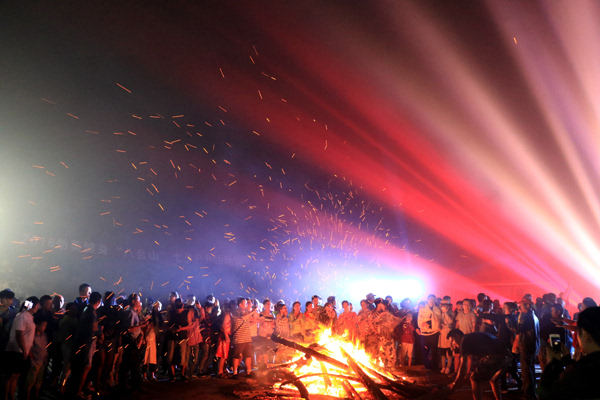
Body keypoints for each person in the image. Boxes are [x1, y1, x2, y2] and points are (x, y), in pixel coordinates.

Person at [537, 306, 600, 399]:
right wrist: (567, 360)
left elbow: (546, 394)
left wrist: (552, 364)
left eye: (577, 332)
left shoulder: (580, 373)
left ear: (585, 335)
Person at [448, 329, 511, 400]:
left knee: (474, 378)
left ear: (457, 335)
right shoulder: (470, 338)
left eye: (452, 341)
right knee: (493, 380)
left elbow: (462, 366)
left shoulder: (463, 341)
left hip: (495, 356)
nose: (453, 344)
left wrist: (454, 383)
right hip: (507, 356)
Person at [3, 296, 40, 400]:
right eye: (37, 305)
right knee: (10, 376)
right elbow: (19, 333)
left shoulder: (29, 316)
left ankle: (11, 396)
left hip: (21, 351)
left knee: (15, 376)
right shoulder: (22, 316)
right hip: (15, 350)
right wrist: (24, 350)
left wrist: (28, 351)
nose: (38, 307)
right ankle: (5, 396)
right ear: (34, 305)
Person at [70, 291, 101, 399]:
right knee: (85, 367)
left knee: (84, 367)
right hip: (87, 343)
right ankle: (77, 392)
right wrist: (100, 330)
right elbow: (93, 328)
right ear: (99, 301)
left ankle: (80, 389)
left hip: (84, 343)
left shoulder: (87, 309)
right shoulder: (91, 312)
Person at [516, 297, 540, 399]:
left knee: (526, 371)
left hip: (526, 345)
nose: (519, 307)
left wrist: (509, 323)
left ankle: (528, 394)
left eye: (521, 304)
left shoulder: (527, 317)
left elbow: (518, 329)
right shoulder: (533, 315)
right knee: (530, 369)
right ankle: (531, 391)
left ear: (527, 306)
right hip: (531, 345)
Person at [24, 315, 49, 400]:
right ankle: (26, 396)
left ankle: (35, 395)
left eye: (45, 326)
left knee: (39, 380)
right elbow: (29, 348)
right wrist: (32, 359)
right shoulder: (33, 336)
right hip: (35, 362)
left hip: (43, 361)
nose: (44, 327)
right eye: (43, 325)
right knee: (31, 380)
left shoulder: (44, 336)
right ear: (37, 325)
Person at [231, 298, 255, 375]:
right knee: (237, 355)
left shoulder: (247, 312)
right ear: (240, 304)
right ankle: (235, 372)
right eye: (245, 303)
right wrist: (253, 311)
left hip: (247, 337)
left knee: (248, 355)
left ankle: (249, 371)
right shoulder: (235, 312)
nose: (246, 304)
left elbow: (252, 320)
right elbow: (243, 318)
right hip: (239, 338)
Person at [418, 294, 441, 371]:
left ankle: (434, 367)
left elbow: (439, 319)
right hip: (425, 333)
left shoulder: (437, 309)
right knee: (425, 350)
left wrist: (433, 316)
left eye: (433, 299)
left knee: (434, 350)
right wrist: (425, 323)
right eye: (430, 299)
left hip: (434, 333)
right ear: (427, 300)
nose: (432, 301)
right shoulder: (422, 309)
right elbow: (420, 320)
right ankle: (425, 365)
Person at [438, 300, 455, 374]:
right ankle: (443, 367)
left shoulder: (452, 313)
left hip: (449, 334)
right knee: (442, 351)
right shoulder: (440, 313)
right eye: (442, 305)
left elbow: (451, 322)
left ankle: (448, 367)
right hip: (442, 334)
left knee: (449, 350)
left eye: (445, 305)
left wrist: (446, 314)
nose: (443, 307)